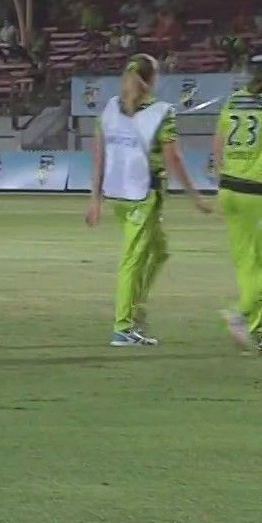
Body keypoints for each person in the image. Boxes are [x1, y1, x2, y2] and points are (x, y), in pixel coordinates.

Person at [85, 53, 211, 346]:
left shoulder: (110, 109)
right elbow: (174, 158)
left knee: (159, 250)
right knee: (133, 259)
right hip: (144, 196)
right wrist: (195, 196)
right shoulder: (162, 112)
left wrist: (95, 200)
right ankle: (123, 327)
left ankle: (136, 307)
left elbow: (99, 156)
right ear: (153, 79)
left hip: (118, 194)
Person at [218, 51, 262, 353]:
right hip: (260, 191)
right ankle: (240, 314)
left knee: (248, 263)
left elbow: (217, 145)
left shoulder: (233, 101)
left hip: (229, 189)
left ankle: (253, 332)